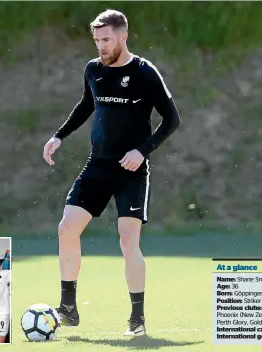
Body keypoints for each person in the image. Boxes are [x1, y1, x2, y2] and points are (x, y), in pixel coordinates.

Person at [42, 9, 180, 336]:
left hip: (131, 170)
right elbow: (86, 105)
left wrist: (141, 151)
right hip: (98, 165)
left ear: (123, 36)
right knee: (67, 228)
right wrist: (58, 136)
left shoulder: (145, 73)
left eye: (106, 40)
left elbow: (172, 120)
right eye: (96, 40)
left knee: (128, 239)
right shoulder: (93, 69)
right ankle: (69, 309)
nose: (100, 47)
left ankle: (137, 319)